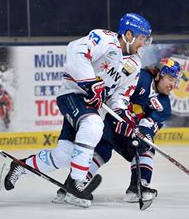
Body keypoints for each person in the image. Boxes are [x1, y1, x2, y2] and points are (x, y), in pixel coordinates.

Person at [0, 13, 153, 208]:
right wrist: (90, 83)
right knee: (93, 125)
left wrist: (122, 113)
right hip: (73, 95)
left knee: (65, 154)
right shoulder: (105, 38)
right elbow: (76, 50)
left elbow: (120, 95)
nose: (144, 44)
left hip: (92, 105)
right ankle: (76, 183)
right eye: (142, 39)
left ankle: (21, 166)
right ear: (129, 35)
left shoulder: (135, 64)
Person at [74, 58, 182, 204]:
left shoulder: (164, 106)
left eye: (176, 81)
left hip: (130, 133)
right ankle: (75, 184)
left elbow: (149, 125)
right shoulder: (140, 77)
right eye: (171, 79)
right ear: (159, 75)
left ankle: (138, 186)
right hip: (109, 121)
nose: (173, 85)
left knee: (147, 147)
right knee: (103, 151)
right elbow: (115, 91)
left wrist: (144, 135)